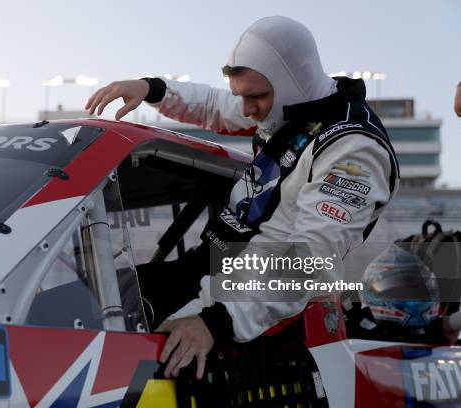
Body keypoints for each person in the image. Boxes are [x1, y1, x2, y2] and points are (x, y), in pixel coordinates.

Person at [86, 16, 399, 380]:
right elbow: (216, 106)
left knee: (119, 357)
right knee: (87, 300)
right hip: (211, 265)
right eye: (243, 95)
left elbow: (310, 260)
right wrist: (152, 88)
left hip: (249, 298)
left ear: (293, 80)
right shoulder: (289, 103)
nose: (247, 109)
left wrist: (215, 321)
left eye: (256, 97)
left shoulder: (355, 151)